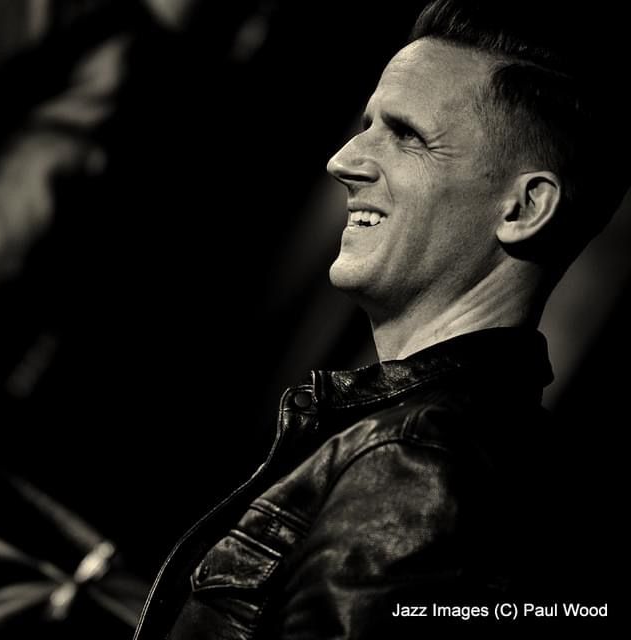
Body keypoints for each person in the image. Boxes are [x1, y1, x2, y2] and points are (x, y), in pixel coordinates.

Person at [132, 1, 626, 638]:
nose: (344, 160)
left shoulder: (417, 466)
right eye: (367, 124)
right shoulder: (473, 452)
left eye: (407, 136)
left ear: (524, 208)